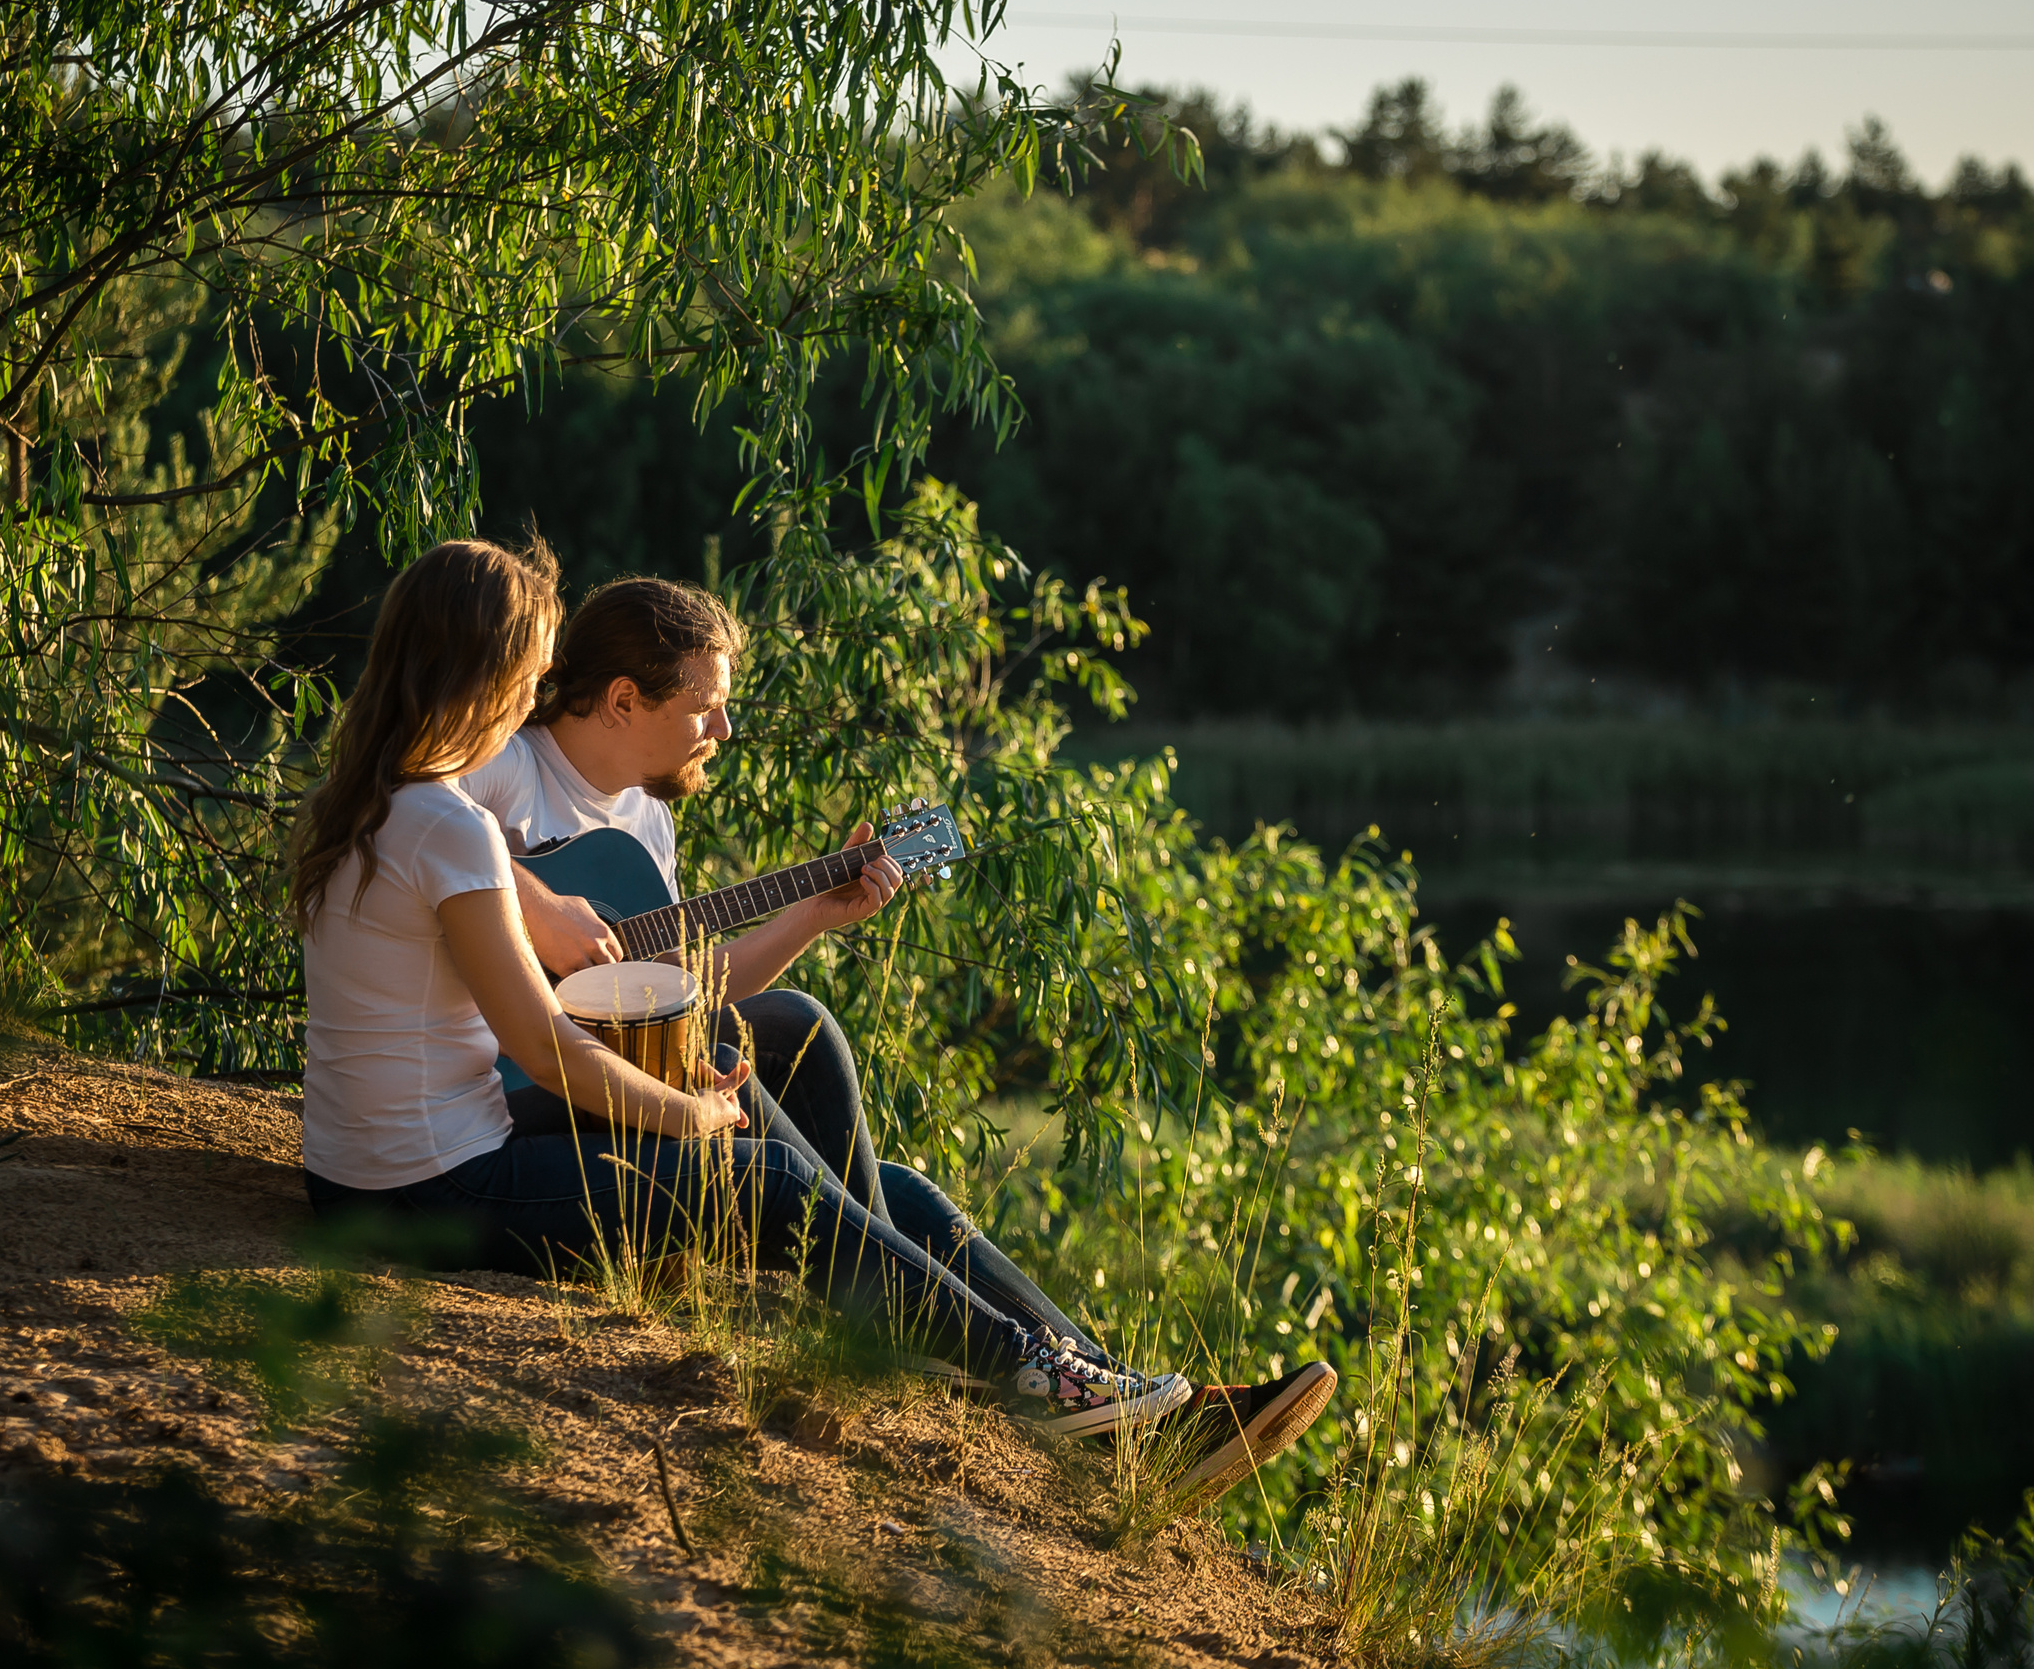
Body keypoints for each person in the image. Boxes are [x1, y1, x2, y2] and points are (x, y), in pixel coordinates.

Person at [459, 573, 1335, 1500]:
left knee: (867, 1141)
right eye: (705, 705)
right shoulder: (506, 770)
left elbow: (682, 989)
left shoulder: (645, 819)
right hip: (522, 1088)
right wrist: (539, 904)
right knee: (768, 1066)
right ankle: (996, 1358)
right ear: (623, 699)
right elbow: (415, 813)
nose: (725, 728)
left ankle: (1129, 1409)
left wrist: (814, 914)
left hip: (615, 1074)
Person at [288, 537, 1189, 1438]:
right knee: (774, 1175)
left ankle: (1048, 1367)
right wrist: (691, 1116)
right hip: (425, 1193)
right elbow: (545, 1049)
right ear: (483, 677)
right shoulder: (451, 822)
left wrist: (751, 1014)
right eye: (527, 675)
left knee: (823, 1150)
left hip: (368, 1178)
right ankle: (1024, 1371)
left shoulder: (368, 799)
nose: (535, 694)